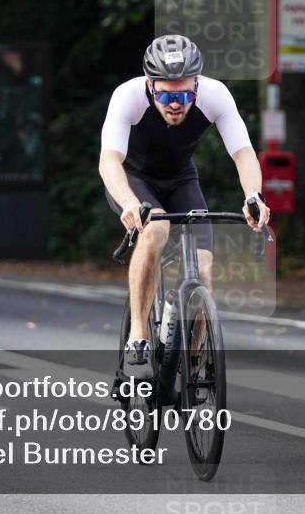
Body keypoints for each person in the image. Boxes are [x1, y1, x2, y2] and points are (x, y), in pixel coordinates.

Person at [98, 34, 270, 379]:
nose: (174, 104)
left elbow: (243, 152)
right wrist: (130, 203)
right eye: (165, 95)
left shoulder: (215, 94)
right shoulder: (127, 96)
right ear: (150, 86)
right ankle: (139, 338)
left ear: (196, 85)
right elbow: (109, 162)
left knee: (204, 271)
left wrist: (253, 195)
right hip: (133, 179)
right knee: (156, 228)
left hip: (180, 180)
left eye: (183, 95)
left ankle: (193, 363)